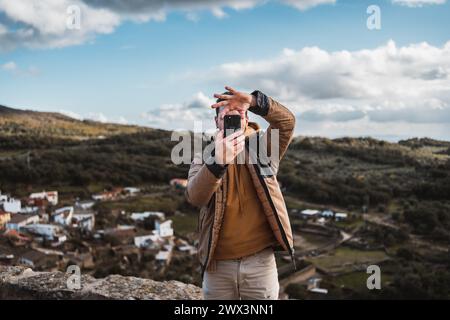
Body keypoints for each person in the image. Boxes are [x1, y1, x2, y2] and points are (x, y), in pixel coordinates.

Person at [185, 86, 296, 300]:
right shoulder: (204, 156)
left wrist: (254, 101)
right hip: (217, 266)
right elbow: (195, 197)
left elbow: (287, 122)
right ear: (217, 122)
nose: (235, 119)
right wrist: (218, 162)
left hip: (260, 263)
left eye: (240, 114)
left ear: (246, 119)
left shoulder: (262, 147)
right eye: (227, 115)